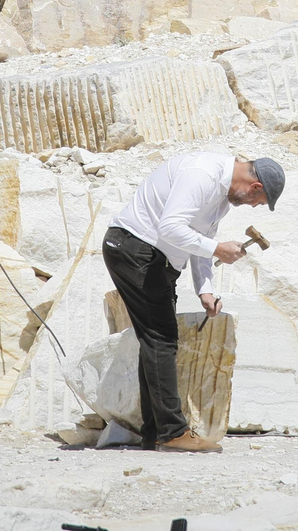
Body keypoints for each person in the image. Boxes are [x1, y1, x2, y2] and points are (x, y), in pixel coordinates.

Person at [102, 153, 286, 453]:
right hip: (135, 249)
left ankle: (154, 432)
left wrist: (206, 290)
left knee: (154, 339)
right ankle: (172, 433)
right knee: (161, 339)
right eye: (259, 201)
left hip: (150, 259)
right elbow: (170, 228)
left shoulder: (223, 198)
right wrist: (217, 248)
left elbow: (198, 239)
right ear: (254, 187)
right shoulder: (203, 174)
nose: (255, 206)